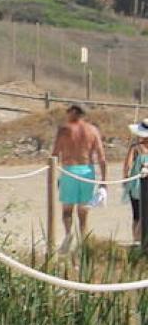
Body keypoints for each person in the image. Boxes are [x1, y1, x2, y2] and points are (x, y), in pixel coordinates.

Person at [51, 105, 106, 250]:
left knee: (67, 209)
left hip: (70, 170)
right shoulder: (93, 130)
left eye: (68, 112)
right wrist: (104, 181)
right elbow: (101, 157)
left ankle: (69, 234)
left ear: (73, 112)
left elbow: (55, 153)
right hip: (87, 170)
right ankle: (83, 240)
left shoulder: (64, 130)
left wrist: (54, 173)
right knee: (83, 210)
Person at [126, 120, 148, 245]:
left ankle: (136, 239)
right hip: (139, 184)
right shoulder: (135, 148)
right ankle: (139, 239)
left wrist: (126, 179)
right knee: (141, 214)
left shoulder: (135, 147)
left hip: (135, 184)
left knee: (137, 214)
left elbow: (127, 166)